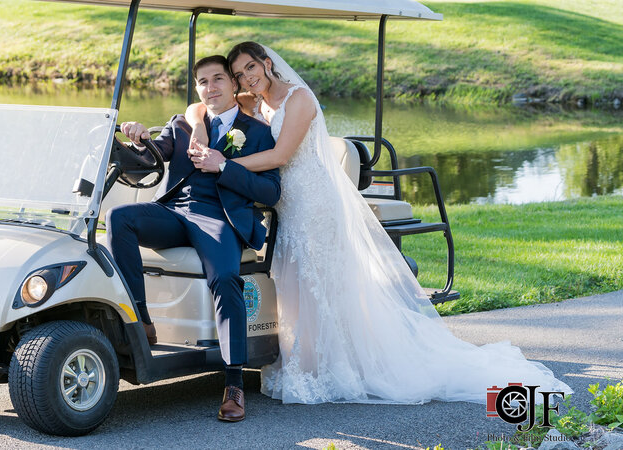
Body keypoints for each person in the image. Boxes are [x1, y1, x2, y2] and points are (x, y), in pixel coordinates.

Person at [184, 42, 572, 404]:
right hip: (286, 205)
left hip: (313, 201)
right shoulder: (255, 101)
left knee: (318, 283)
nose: (246, 77)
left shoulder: (298, 99)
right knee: (294, 285)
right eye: (238, 74)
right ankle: (306, 363)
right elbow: (198, 107)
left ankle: (333, 368)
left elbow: (281, 154)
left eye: (251, 67)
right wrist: (199, 127)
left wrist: (223, 164)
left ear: (267, 63)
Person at [107, 55, 280, 421]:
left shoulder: (258, 131)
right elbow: (149, 161)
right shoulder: (184, 123)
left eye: (218, 79)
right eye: (203, 82)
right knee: (119, 217)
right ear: (197, 88)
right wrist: (135, 139)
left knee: (226, 278)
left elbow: (270, 191)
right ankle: (141, 320)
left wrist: (224, 166)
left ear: (233, 85)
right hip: (175, 213)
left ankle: (234, 383)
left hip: (220, 218)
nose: (211, 87)